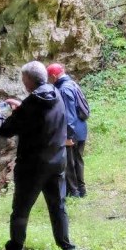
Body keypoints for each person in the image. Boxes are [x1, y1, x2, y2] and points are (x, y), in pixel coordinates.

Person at [0, 61, 76, 250]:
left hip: (33, 167)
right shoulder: (56, 93)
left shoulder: (31, 104)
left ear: (27, 81)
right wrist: (21, 106)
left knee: (20, 209)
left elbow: (4, 129)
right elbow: (41, 118)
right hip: (57, 161)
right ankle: (67, 248)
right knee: (57, 205)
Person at [47, 63, 89, 198]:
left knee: (69, 164)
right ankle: (82, 190)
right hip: (81, 128)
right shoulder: (72, 83)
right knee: (78, 161)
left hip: (72, 132)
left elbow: (69, 114)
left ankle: (74, 192)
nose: (48, 80)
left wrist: (68, 137)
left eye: (49, 77)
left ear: (53, 76)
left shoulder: (64, 90)